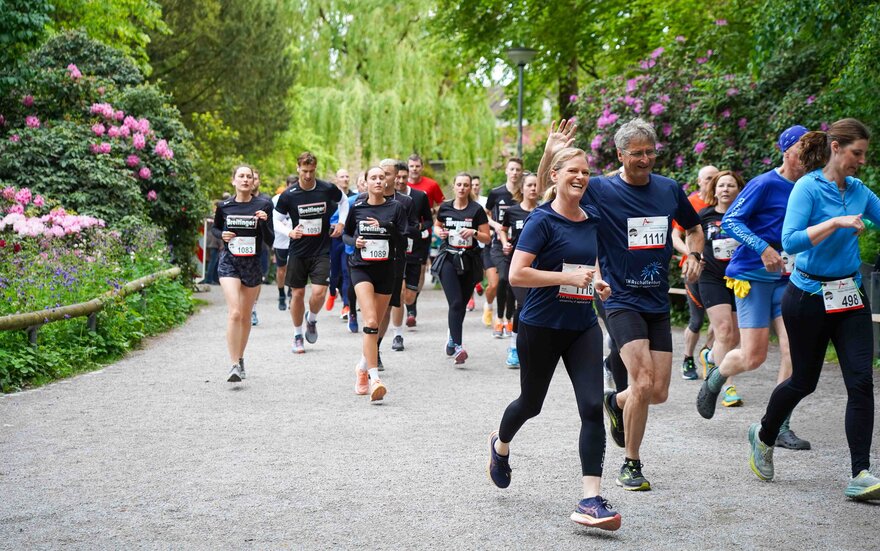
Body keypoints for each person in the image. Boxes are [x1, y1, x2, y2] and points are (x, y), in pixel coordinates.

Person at [542, 118, 704, 491]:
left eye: (651, 152)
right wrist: (551, 152)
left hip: (656, 299)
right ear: (620, 155)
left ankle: (616, 402)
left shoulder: (668, 189)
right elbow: (553, 190)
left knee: (658, 392)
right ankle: (631, 463)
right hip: (617, 297)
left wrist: (695, 255)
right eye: (637, 153)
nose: (646, 159)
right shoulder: (600, 189)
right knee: (643, 381)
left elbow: (694, 228)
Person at [748, 118, 880, 501]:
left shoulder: (858, 190)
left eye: (865, 154)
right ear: (836, 148)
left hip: (849, 293)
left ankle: (861, 473)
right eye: (857, 153)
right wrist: (835, 221)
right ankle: (765, 433)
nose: (861, 161)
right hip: (807, 296)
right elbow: (789, 240)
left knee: (860, 382)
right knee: (803, 381)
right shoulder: (806, 187)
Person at [488, 146, 619, 530]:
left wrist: (597, 280)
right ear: (555, 176)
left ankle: (590, 499)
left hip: (582, 325)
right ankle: (500, 445)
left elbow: (588, 261)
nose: (580, 177)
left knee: (593, 407)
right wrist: (566, 278)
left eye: (586, 172)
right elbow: (517, 274)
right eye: (573, 171)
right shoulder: (541, 221)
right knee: (531, 404)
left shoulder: (591, 219)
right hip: (541, 326)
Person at [695, 125, 811, 450]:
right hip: (752, 276)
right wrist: (762, 247)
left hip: (789, 279)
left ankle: (779, 426)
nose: (808, 157)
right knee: (753, 356)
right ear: (786, 151)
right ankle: (716, 377)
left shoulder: (810, 187)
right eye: (802, 150)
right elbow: (730, 220)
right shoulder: (764, 183)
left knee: (794, 350)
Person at [343, 166, 408, 401]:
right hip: (361, 268)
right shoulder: (357, 207)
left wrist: (387, 227)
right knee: (370, 321)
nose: (379, 181)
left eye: (382, 177)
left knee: (378, 324)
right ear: (366, 183)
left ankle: (361, 367)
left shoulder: (396, 208)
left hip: (386, 269)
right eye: (374, 178)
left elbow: (402, 242)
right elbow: (346, 235)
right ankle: (374, 378)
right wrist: (356, 241)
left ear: (387, 182)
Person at [273, 152, 346, 353]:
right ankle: (297, 335)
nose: (307, 175)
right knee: (297, 295)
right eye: (304, 171)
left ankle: (311, 319)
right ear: (298, 169)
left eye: (311, 171)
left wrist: (341, 223)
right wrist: (289, 232)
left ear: (316, 169)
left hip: (321, 250)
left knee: (319, 292)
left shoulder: (326, 188)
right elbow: (275, 219)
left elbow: (344, 202)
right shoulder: (288, 195)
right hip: (298, 251)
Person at [213, 165, 274, 382]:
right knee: (235, 312)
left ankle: (240, 358)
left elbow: (270, 240)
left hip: (252, 264)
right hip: (229, 262)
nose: (245, 180)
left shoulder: (264, 205)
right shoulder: (225, 206)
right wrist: (223, 235)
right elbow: (216, 229)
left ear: (254, 182)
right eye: (241, 176)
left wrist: (265, 223)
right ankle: (232, 365)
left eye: (249, 176)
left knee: (246, 316)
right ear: (233, 181)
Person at [695, 171, 746, 405]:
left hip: (739, 278)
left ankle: (709, 356)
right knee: (724, 330)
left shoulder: (746, 215)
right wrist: (692, 255)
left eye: (731, 185)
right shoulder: (704, 215)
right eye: (721, 185)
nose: (726, 189)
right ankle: (728, 387)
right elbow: (686, 235)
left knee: (734, 336)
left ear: (739, 190)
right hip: (711, 277)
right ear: (714, 191)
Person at [431, 172, 490, 364]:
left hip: (470, 260)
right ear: (454, 187)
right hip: (448, 257)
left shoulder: (476, 210)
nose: (463, 188)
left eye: (466, 185)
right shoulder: (445, 207)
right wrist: (439, 231)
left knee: (462, 304)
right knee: (455, 303)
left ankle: (451, 336)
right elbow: (437, 226)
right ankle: (458, 346)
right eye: (460, 184)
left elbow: (487, 237)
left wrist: (473, 232)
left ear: (470, 187)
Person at [672, 165, 718, 379]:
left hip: (720, 273)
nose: (712, 181)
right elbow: (675, 236)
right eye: (708, 178)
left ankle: (708, 353)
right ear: (699, 181)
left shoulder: (724, 204)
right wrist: (692, 254)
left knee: (720, 321)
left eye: (715, 178)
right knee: (697, 320)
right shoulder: (691, 202)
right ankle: (687, 359)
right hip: (694, 271)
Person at [373, 159, 417, 367]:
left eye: (387, 174)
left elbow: (412, 229)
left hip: (395, 259)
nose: (383, 179)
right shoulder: (366, 200)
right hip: (369, 261)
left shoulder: (405, 202)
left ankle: (376, 347)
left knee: (387, 307)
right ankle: (371, 344)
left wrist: (392, 229)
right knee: (371, 308)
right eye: (379, 174)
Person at [498, 172, 539, 368]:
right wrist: (505, 243)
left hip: (539, 267)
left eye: (536, 185)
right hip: (515, 265)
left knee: (538, 306)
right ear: (522, 189)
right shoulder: (512, 212)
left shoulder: (544, 211)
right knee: (522, 305)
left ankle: (536, 346)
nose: (533, 188)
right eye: (530, 185)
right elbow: (503, 230)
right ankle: (514, 348)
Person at [391, 161, 431, 351]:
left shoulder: (416, 197)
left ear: (408, 179)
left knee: (408, 296)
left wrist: (418, 229)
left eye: (403, 177)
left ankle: (411, 307)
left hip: (414, 248)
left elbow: (427, 219)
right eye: (397, 177)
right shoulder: (387, 198)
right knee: (398, 292)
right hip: (395, 252)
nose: (399, 180)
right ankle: (398, 335)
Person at [405, 154, 445, 327]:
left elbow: (442, 204)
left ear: (421, 167)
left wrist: (432, 211)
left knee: (421, 270)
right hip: (402, 234)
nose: (414, 169)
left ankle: (412, 304)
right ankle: (408, 307)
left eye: (417, 166)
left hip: (422, 233)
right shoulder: (401, 185)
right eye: (411, 166)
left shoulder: (431, 185)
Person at [486, 158, 524, 338]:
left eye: (518, 169)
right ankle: (499, 318)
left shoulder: (523, 194)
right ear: (506, 171)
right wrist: (496, 225)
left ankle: (508, 318)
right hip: (498, 243)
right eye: (512, 169)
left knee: (511, 282)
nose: (515, 172)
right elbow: (485, 214)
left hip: (518, 245)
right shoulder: (496, 193)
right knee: (502, 279)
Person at [327, 168, 355, 314]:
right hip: (333, 240)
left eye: (347, 176)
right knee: (334, 272)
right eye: (342, 176)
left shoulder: (353, 197)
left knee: (346, 271)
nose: (345, 179)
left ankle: (346, 305)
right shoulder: (331, 197)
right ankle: (332, 292)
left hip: (347, 239)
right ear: (336, 179)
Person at [248, 170, 274, 325]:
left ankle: (253, 309)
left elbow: (271, 228)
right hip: (239, 248)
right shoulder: (236, 201)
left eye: (254, 178)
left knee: (257, 280)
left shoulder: (265, 201)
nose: (252, 181)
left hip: (261, 247)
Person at [272, 175, 297, 310]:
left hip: (296, 239)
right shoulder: (276, 200)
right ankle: (281, 294)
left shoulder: (300, 198)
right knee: (282, 269)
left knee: (294, 268)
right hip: (281, 240)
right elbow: (272, 219)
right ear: (286, 185)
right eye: (291, 185)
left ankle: (291, 292)